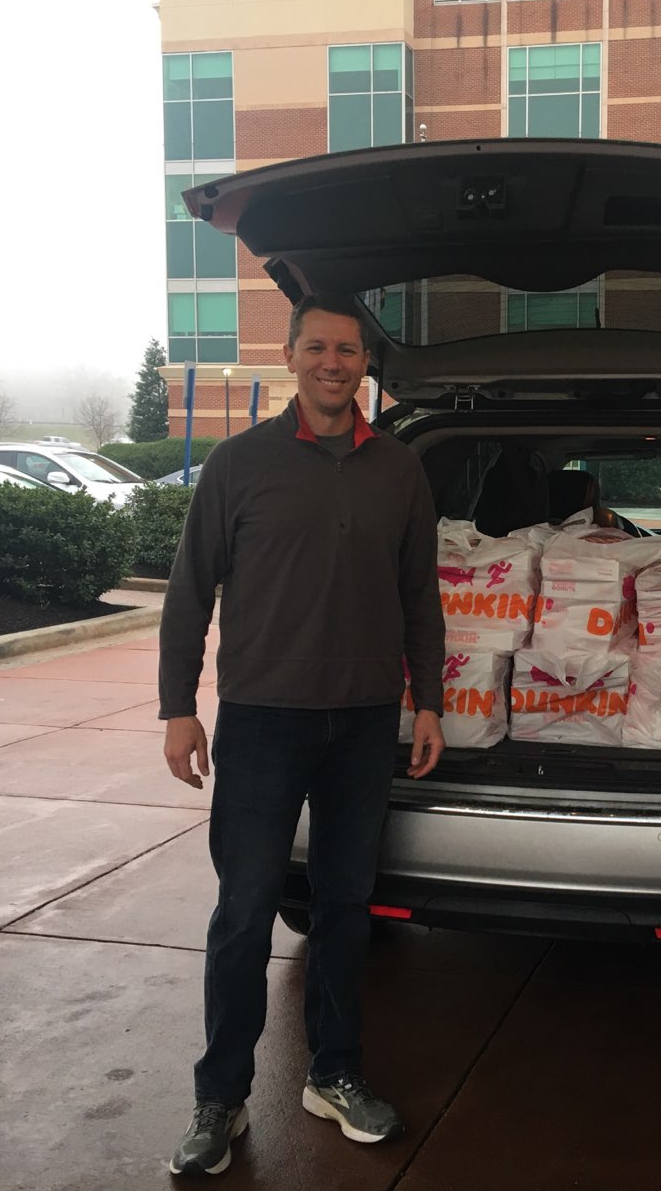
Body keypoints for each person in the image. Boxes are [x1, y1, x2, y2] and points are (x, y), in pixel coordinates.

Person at [160, 294, 446, 1176]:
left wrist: (426, 700)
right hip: (262, 725)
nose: (334, 362)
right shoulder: (239, 464)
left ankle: (335, 1074)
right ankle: (221, 1099)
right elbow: (189, 590)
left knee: (345, 912)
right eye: (318, 347)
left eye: (349, 350)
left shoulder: (399, 468)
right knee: (244, 913)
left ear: (366, 364)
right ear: (289, 357)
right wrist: (179, 707)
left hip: (364, 725)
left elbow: (419, 598)